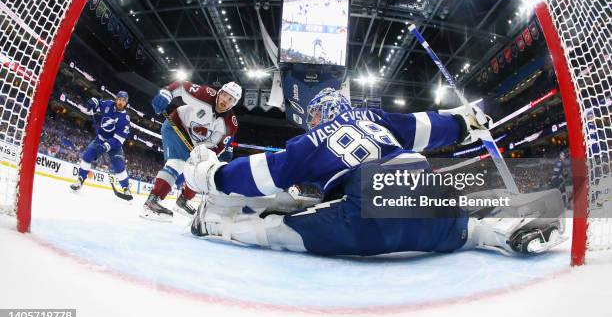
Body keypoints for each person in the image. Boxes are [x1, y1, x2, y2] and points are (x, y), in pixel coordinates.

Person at [183, 88, 565, 257]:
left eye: (315, 115)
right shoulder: (376, 117)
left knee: (284, 227)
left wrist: (211, 174)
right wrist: (465, 122)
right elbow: (428, 127)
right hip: (424, 183)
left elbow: (265, 172)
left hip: (368, 207)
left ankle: (217, 227)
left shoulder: (311, 141)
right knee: (463, 228)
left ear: (324, 113)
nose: (312, 122)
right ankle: (503, 233)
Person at [141, 81, 240, 221]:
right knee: (177, 162)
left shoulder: (230, 124)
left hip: (196, 144)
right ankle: (152, 202)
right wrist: (166, 94)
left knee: (201, 169)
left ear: (234, 103)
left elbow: (216, 147)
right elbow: (181, 86)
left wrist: (201, 154)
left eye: (231, 99)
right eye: (224, 95)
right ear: (220, 92)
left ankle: (183, 201)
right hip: (176, 125)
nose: (225, 100)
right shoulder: (205, 94)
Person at [70, 91, 133, 199]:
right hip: (100, 139)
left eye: (123, 100)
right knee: (87, 156)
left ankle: (126, 189)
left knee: (119, 165)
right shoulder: (108, 104)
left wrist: (106, 146)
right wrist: (93, 102)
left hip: (114, 145)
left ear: (126, 103)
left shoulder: (125, 119)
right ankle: (80, 180)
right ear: (116, 99)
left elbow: (118, 139)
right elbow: (98, 104)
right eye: (119, 99)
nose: (120, 102)